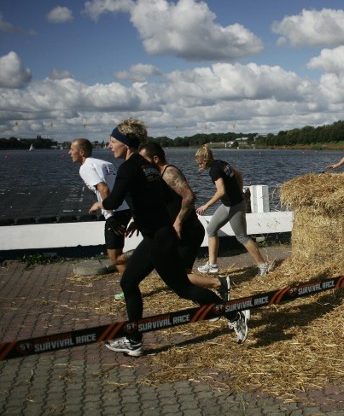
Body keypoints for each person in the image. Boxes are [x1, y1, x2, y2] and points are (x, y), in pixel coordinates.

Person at [90, 119, 249, 357]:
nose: (109, 146)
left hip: (159, 238)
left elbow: (113, 201)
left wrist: (99, 203)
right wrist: (141, 218)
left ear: (126, 143)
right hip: (157, 235)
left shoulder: (129, 167)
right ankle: (134, 341)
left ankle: (234, 315)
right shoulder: (148, 167)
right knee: (128, 282)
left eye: (112, 142)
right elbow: (164, 197)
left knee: (183, 288)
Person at [138, 142, 231, 301]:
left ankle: (218, 284)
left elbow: (190, 197)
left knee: (178, 276)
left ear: (155, 159)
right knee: (182, 274)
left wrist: (178, 222)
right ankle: (207, 300)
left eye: (143, 159)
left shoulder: (169, 173)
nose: (140, 164)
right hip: (181, 231)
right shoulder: (157, 176)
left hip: (188, 230)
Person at [194, 145, 270, 277]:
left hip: (235, 206)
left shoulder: (214, 171)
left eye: (200, 163)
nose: (199, 165)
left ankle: (263, 265)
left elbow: (221, 191)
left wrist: (206, 205)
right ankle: (212, 265)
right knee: (211, 229)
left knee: (242, 236)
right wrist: (240, 191)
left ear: (205, 160)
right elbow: (239, 175)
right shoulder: (222, 163)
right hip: (229, 204)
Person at [69, 138, 131, 274]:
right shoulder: (105, 163)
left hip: (116, 212)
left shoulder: (85, 167)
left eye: (72, 150)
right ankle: (131, 281)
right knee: (118, 252)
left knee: (115, 257)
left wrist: (110, 216)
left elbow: (104, 189)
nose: (69, 153)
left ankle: (130, 285)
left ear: (82, 152)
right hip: (126, 208)